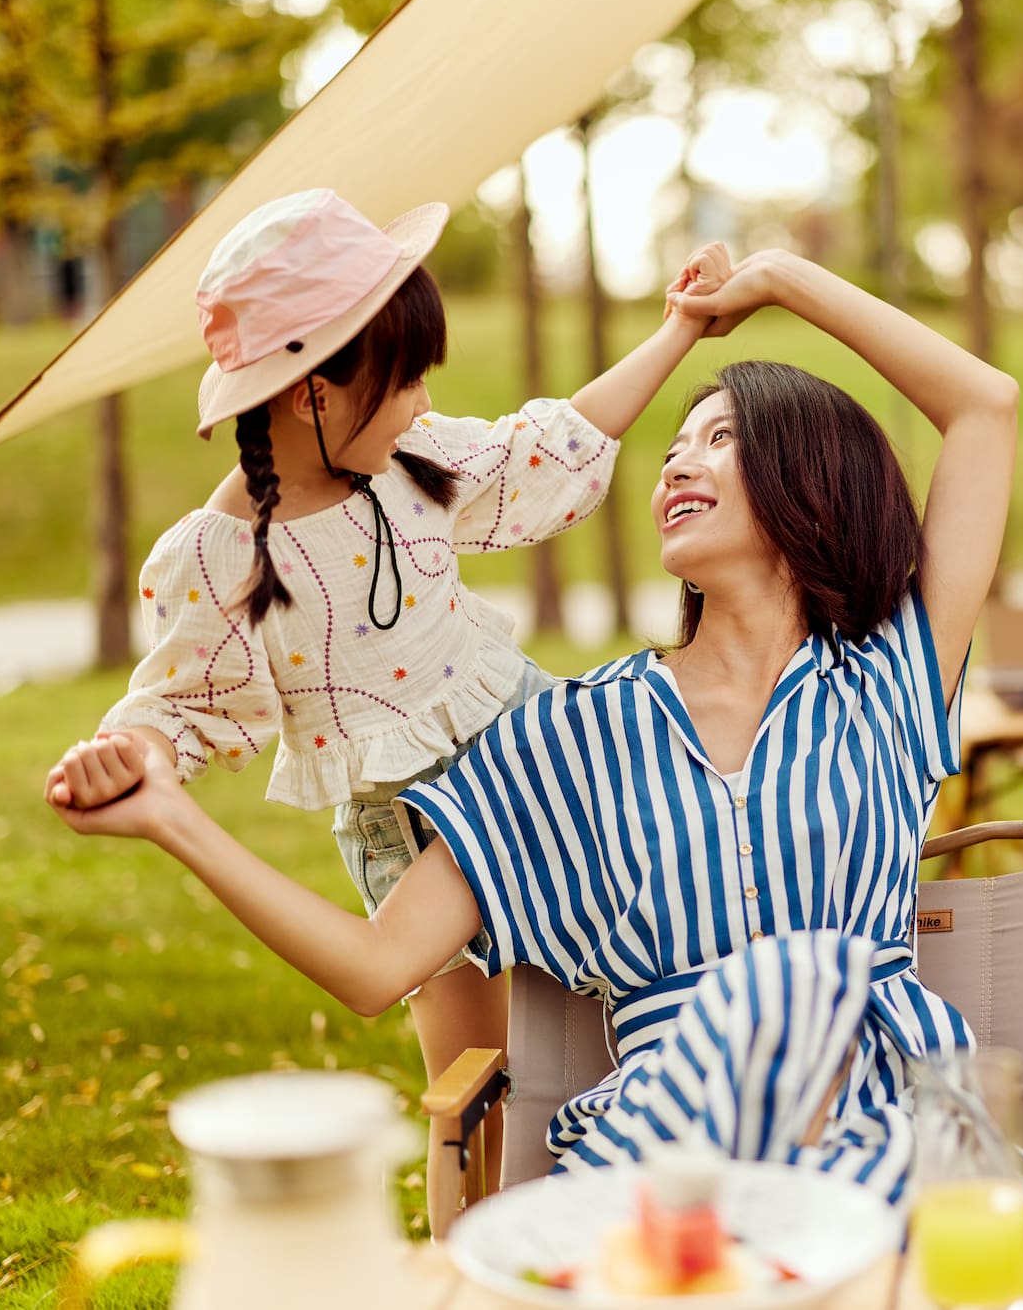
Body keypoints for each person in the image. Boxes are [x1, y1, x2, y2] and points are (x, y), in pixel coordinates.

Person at [44, 247, 1021, 1202]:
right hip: (679, 1175)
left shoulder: (886, 680)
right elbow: (378, 967)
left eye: (719, 438)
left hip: (906, 1142)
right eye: (673, 445)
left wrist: (776, 280)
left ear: (816, 477)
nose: (677, 458)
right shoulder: (568, 738)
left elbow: (984, 406)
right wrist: (172, 817)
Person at [42, 188, 728, 1188]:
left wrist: (678, 330)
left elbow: (546, 446)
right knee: (475, 1092)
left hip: (540, 771)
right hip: (413, 834)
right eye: (404, 382)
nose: (421, 403)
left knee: (599, 1035)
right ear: (314, 392)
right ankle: (467, 1272)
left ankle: (623, 1220)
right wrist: (127, 761)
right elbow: (181, 707)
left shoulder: (413, 461)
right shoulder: (224, 554)